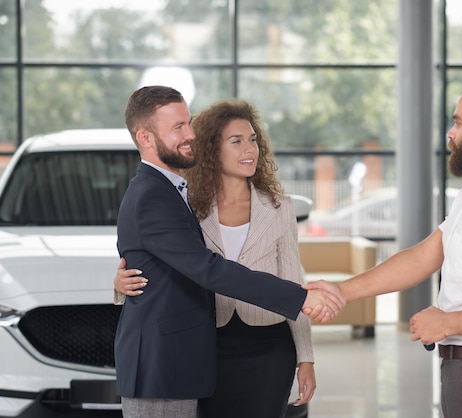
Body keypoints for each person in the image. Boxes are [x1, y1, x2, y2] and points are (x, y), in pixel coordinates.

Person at [306, 78, 462, 417]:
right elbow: (424, 256)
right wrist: (343, 292)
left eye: (459, 121)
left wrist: (447, 322)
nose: (450, 133)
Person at [114, 86, 343, 418]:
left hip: (264, 346)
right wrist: (121, 282)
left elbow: (292, 272)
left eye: (252, 140)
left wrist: (305, 355)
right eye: (236, 141)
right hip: (200, 350)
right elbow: (204, 267)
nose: (189, 133)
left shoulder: (271, 207)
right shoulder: (179, 197)